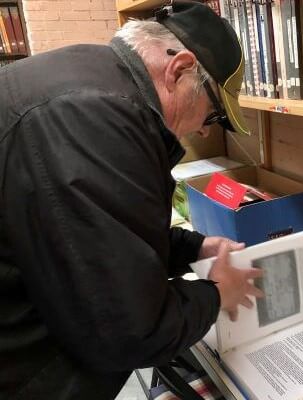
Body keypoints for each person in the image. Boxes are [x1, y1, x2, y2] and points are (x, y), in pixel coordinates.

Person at [0, 2, 264, 399]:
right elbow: (130, 330)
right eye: (212, 116)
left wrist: (196, 247)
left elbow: (103, 234)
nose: (207, 133)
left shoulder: (91, 77)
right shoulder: (93, 117)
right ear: (178, 70)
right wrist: (216, 296)